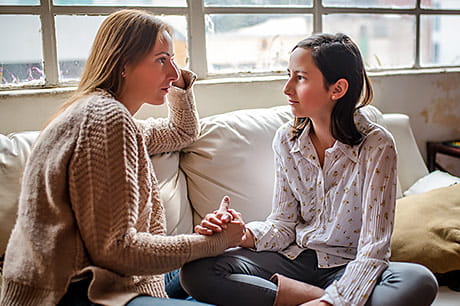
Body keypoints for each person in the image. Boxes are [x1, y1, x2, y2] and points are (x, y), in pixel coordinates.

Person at [0, 9, 245, 306]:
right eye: (161, 60)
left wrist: (177, 83)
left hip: (120, 281)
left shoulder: (107, 116)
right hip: (78, 293)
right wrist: (216, 241)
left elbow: (182, 131)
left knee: (224, 266)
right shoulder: (105, 121)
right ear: (123, 64)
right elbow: (117, 249)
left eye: (172, 60)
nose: (172, 72)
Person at [180, 33, 438, 306]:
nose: (287, 88)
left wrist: (336, 296)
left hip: (349, 268)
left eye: (300, 78)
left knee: (418, 280)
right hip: (295, 259)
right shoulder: (286, 139)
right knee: (197, 272)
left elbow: (374, 249)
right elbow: (283, 225)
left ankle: (323, 299)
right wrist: (243, 235)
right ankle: (326, 301)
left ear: (337, 89)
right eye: (289, 75)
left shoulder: (377, 144)